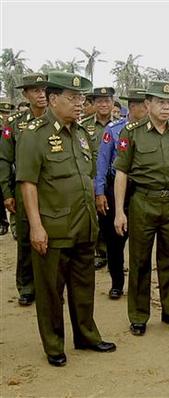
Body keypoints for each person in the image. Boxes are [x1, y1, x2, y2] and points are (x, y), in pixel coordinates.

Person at [16, 71, 116, 367]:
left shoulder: (82, 134)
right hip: (53, 227)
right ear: (53, 99)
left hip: (83, 225)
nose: (79, 103)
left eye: (81, 98)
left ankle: (86, 335)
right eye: (73, 98)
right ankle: (54, 345)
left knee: (83, 287)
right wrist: (35, 225)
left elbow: (87, 176)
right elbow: (28, 183)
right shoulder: (35, 134)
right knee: (50, 292)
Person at [113, 80, 169, 336]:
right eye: (161, 102)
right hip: (143, 203)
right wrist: (119, 211)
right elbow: (121, 173)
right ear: (148, 104)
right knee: (139, 261)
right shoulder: (132, 133)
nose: (166, 108)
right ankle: (138, 315)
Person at [0, 73, 48, 306]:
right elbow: (4, 160)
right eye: (35, 90)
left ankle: (49, 285)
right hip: (23, 188)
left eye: (44, 90)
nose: (41, 94)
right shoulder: (15, 123)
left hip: (52, 189)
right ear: (25, 94)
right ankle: (27, 286)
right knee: (27, 239)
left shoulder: (57, 120)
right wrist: (6, 193)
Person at [95, 88, 147, 299]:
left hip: (141, 191)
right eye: (144, 105)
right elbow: (102, 163)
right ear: (133, 107)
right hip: (115, 190)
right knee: (114, 242)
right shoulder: (114, 130)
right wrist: (99, 192)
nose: (147, 109)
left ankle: (138, 286)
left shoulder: (151, 131)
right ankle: (117, 283)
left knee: (141, 243)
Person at [81, 86, 115, 270]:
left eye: (107, 100)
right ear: (93, 104)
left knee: (108, 217)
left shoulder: (120, 126)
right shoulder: (83, 126)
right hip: (89, 179)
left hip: (112, 181)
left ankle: (110, 253)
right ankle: (96, 253)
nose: (103, 104)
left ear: (113, 102)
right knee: (92, 218)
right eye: (100, 101)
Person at [0, 99, 15, 236]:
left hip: (12, 168)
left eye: (8, 112)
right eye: (3, 112)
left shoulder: (8, 128)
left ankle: (7, 223)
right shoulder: (6, 127)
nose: (5, 115)